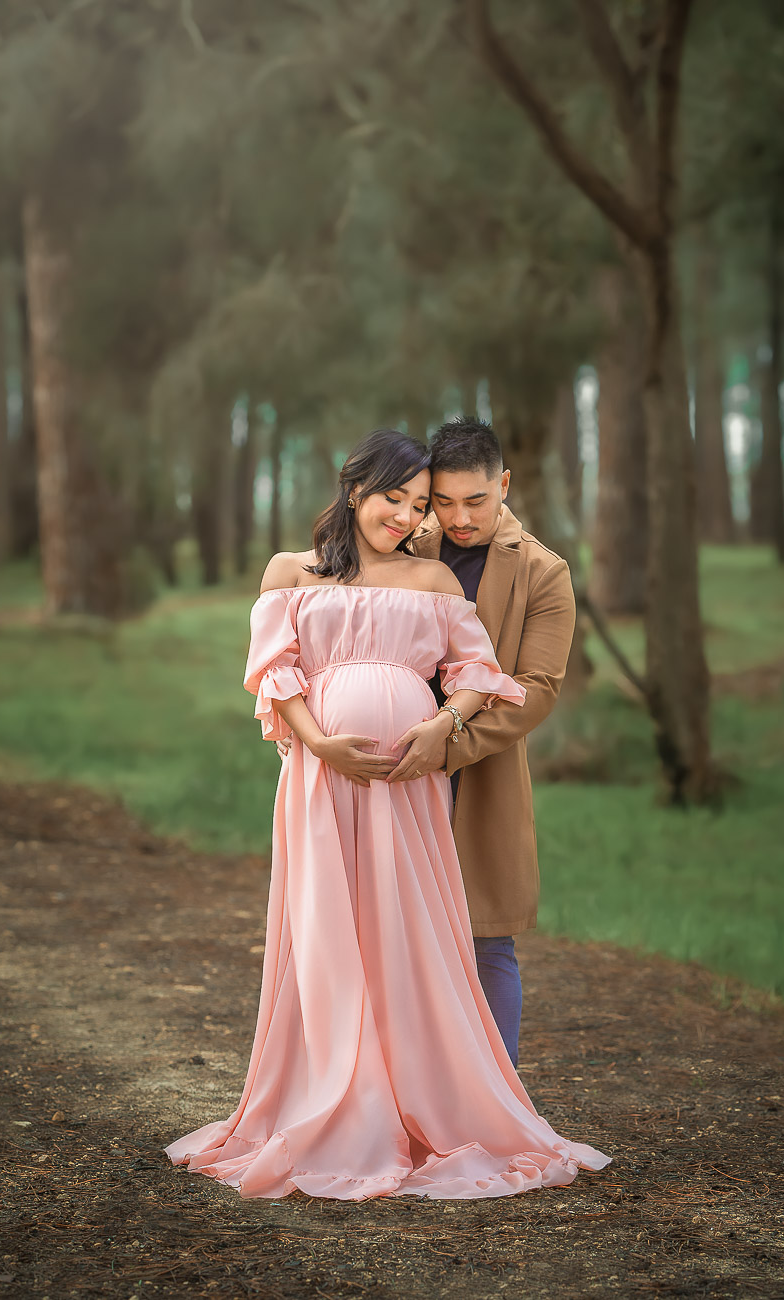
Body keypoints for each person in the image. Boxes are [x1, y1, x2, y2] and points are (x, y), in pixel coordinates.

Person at [165, 428, 608, 1201]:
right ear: (356, 490)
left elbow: (508, 679)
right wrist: (319, 745)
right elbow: (275, 673)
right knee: (335, 931)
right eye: (411, 500)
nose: (422, 516)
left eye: (431, 502)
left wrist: (445, 731)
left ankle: (468, 1096)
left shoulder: (495, 573)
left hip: (433, 778)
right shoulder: (303, 567)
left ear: (504, 486)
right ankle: (342, 1095)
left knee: (455, 936)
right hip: (327, 780)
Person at [400, 416, 577, 1070]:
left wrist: (449, 745)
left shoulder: (542, 572)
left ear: (503, 483)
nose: (459, 518)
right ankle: (411, 1094)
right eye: (441, 501)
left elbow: (535, 688)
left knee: (486, 942)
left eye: (475, 500)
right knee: (397, 934)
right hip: (393, 767)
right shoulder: (404, 545)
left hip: (481, 769)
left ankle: (496, 1097)